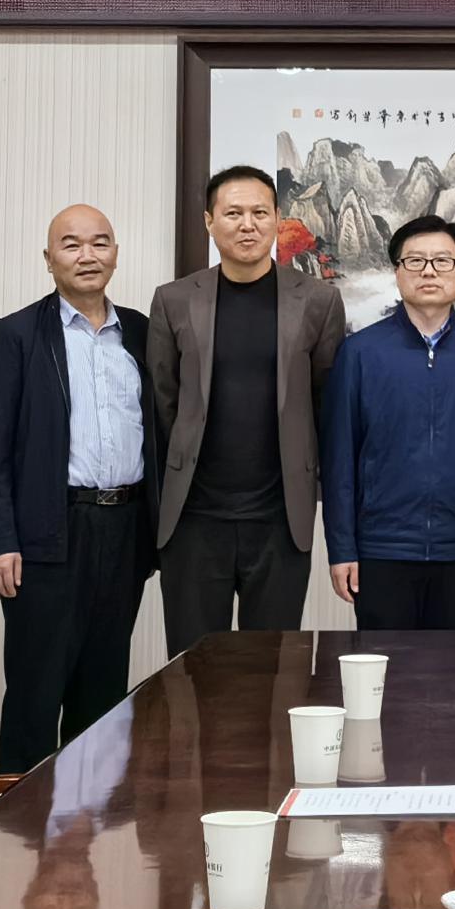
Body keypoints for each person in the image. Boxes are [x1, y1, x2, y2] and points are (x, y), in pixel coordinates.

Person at [0, 204, 158, 774]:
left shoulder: (141, 332)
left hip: (123, 529)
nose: (87, 256)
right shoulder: (18, 335)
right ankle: (21, 820)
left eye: (100, 243)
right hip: (48, 533)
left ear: (116, 254)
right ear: (48, 258)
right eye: (71, 244)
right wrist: (0, 541)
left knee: (103, 690)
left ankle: (91, 817)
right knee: (36, 689)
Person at [148, 164, 346, 655]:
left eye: (260, 212)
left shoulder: (318, 301)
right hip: (194, 519)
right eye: (233, 213)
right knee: (192, 669)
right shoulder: (174, 300)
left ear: (277, 218)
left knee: (273, 671)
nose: (247, 224)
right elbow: (163, 400)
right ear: (209, 222)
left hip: (280, 519)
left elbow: (326, 399)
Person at [320, 215, 455, 628]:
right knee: (383, 664)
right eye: (415, 261)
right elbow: (339, 460)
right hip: (382, 548)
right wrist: (342, 548)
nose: (428, 271)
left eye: (442, 261)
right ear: (397, 272)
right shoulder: (360, 353)